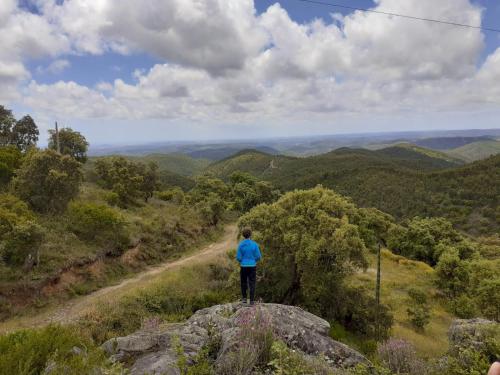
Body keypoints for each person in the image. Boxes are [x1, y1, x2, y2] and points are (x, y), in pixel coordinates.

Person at [236, 227, 261, 305]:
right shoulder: (254, 244)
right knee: (252, 283)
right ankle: (251, 301)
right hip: (252, 266)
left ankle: (244, 299)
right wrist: (253, 261)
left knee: (243, 282)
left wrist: (243, 261)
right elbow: (258, 256)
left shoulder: (241, 245)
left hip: (243, 266)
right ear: (250, 234)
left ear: (243, 235)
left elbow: (238, 258)